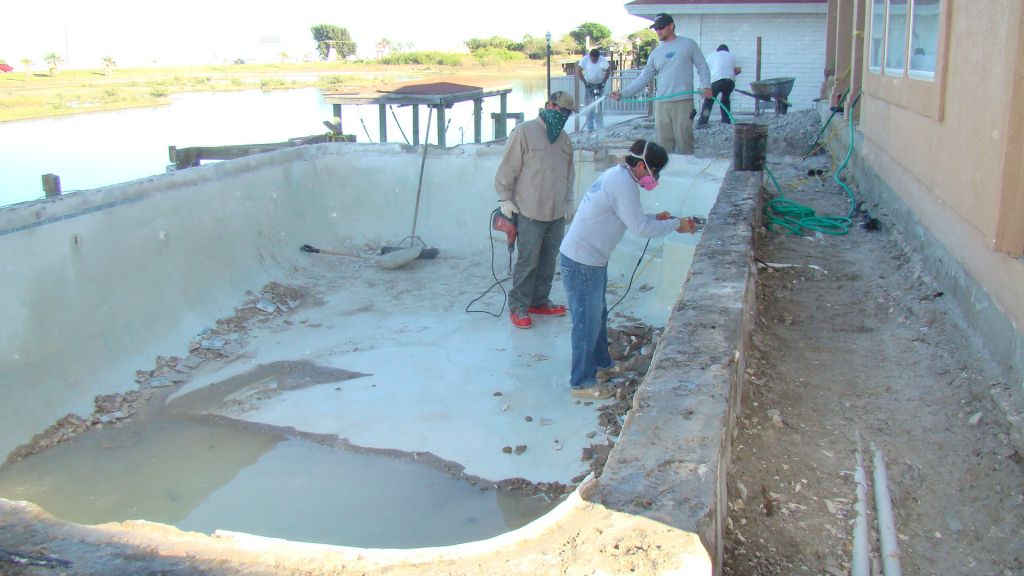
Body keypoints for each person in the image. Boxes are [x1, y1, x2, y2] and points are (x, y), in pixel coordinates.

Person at [558, 139, 697, 399]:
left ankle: (602, 366)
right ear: (643, 165)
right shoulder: (622, 184)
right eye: (654, 171)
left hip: (590, 259)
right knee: (586, 324)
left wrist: (659, 219)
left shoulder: (619, 177)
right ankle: (581, 383)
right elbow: (640, 229)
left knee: (597, 317)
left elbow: (634, 218)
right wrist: (677, 225)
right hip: (582, 262)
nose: (654, 178)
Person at [495, 91, 578, 330]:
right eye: (561, 110)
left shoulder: (564, 140)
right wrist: (505, 200)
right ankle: (519, 306)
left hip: (556, 213)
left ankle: (539, 300)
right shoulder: (524, 132)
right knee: (528, 260)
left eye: (567, 113)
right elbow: (507, 169)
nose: (563, 116)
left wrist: (568, 201)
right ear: (549, 105)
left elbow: (568, 174)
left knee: (548, 261)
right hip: (529, 210)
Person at [610, 13, 711, 155]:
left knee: (685, 143)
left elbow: (702, 66)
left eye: (661, 27)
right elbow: (643, 78)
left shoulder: (688, 44)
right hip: (662, 104)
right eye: (656, 28)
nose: (658, 31)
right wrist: (622, 93)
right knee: (664, 147)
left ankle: (688, 174)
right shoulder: (656, 53)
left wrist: (707, 86)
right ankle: (666, 175)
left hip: (683, 103)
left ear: (671, 26)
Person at [697, 44, 741, 127]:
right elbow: (738, 70)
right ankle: (726, 121)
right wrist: (729, 74)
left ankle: (702, 122)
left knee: (709, 101)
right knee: (725, 100)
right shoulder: (732, 56)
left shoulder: (712, 55)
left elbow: (704, 68)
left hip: (716, 80)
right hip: (729, 82)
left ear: (717, 50)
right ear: (727, 51)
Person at [576, 48, 612, 131]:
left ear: (598, 57)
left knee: (598, 106)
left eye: (595, 60)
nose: (594, 61)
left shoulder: (603, 60)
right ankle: (590, 128)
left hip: (599, 85)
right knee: (589, 106)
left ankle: (600, 127)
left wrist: (603, 82)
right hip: (589, 85)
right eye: (592, 59)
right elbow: (579, 71)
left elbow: (608, 70)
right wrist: (585, 82)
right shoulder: (584, 60)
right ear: (590, 56)